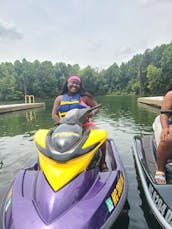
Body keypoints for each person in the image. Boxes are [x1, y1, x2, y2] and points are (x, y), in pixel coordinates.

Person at [52, 75, 108, 171]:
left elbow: (97, 107)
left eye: (77, 84)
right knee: (49, 140)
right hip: (65, 126)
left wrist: (92, 113)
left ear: (80, 86)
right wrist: (59, 123)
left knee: (101, 139)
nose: (75, 85)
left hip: (85, 125)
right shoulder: (59, 98)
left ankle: (103, 162)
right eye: (72, 83)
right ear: (67, 83)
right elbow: (54, 114)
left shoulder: (85, 97)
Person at [155, 82, 172, 184]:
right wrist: (165, 128)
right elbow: (164, 114)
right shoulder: (171, 95)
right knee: (168, 139)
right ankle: (160, 169)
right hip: (170, 122)